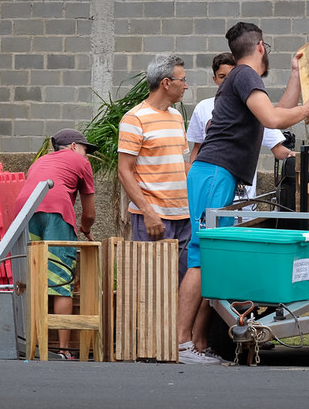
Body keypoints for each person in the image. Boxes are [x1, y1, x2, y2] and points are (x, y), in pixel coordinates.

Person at [178, 22, 309, 364]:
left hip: (219, 175)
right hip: (214, 173)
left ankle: (197, 344)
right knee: (202, 257)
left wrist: (294, 76)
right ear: (260, 46)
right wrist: (308, 109)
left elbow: (273, 117)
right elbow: (276, 118)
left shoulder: (244, 79)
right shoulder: (244, 75)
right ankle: (181, 343)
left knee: (213, 260)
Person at [15, 128, 97, 359]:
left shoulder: (39, 162)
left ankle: (33, 342)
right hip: (55, 212)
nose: (87, 155)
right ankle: (64, 350)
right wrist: (86, 229)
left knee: (34, 277)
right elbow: (89, 213)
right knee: (61, 278)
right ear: (72, 146)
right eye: (85, 149)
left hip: (25, 211)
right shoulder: (79, 162)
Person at [117, 54, 192, 280]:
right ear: (166, 83)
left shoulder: (177, 117)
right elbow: (124, 171)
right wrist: (148, 213)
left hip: (184, 218)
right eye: (182, 80)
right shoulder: (134, 119)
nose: (186, 86)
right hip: (154, 218)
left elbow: (182, 165)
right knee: (153, 286)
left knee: (181, 285)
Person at [186, 52, 292, 203]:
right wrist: (198, 181)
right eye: (222, 77)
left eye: (231, 76)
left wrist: (296, 157)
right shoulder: (203, 107)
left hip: (244, 196)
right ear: (214, 79)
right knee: (210, 223)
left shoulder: (255, 105)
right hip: (212, 187)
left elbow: (278, 147)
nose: (227, 82)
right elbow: (197, 148)